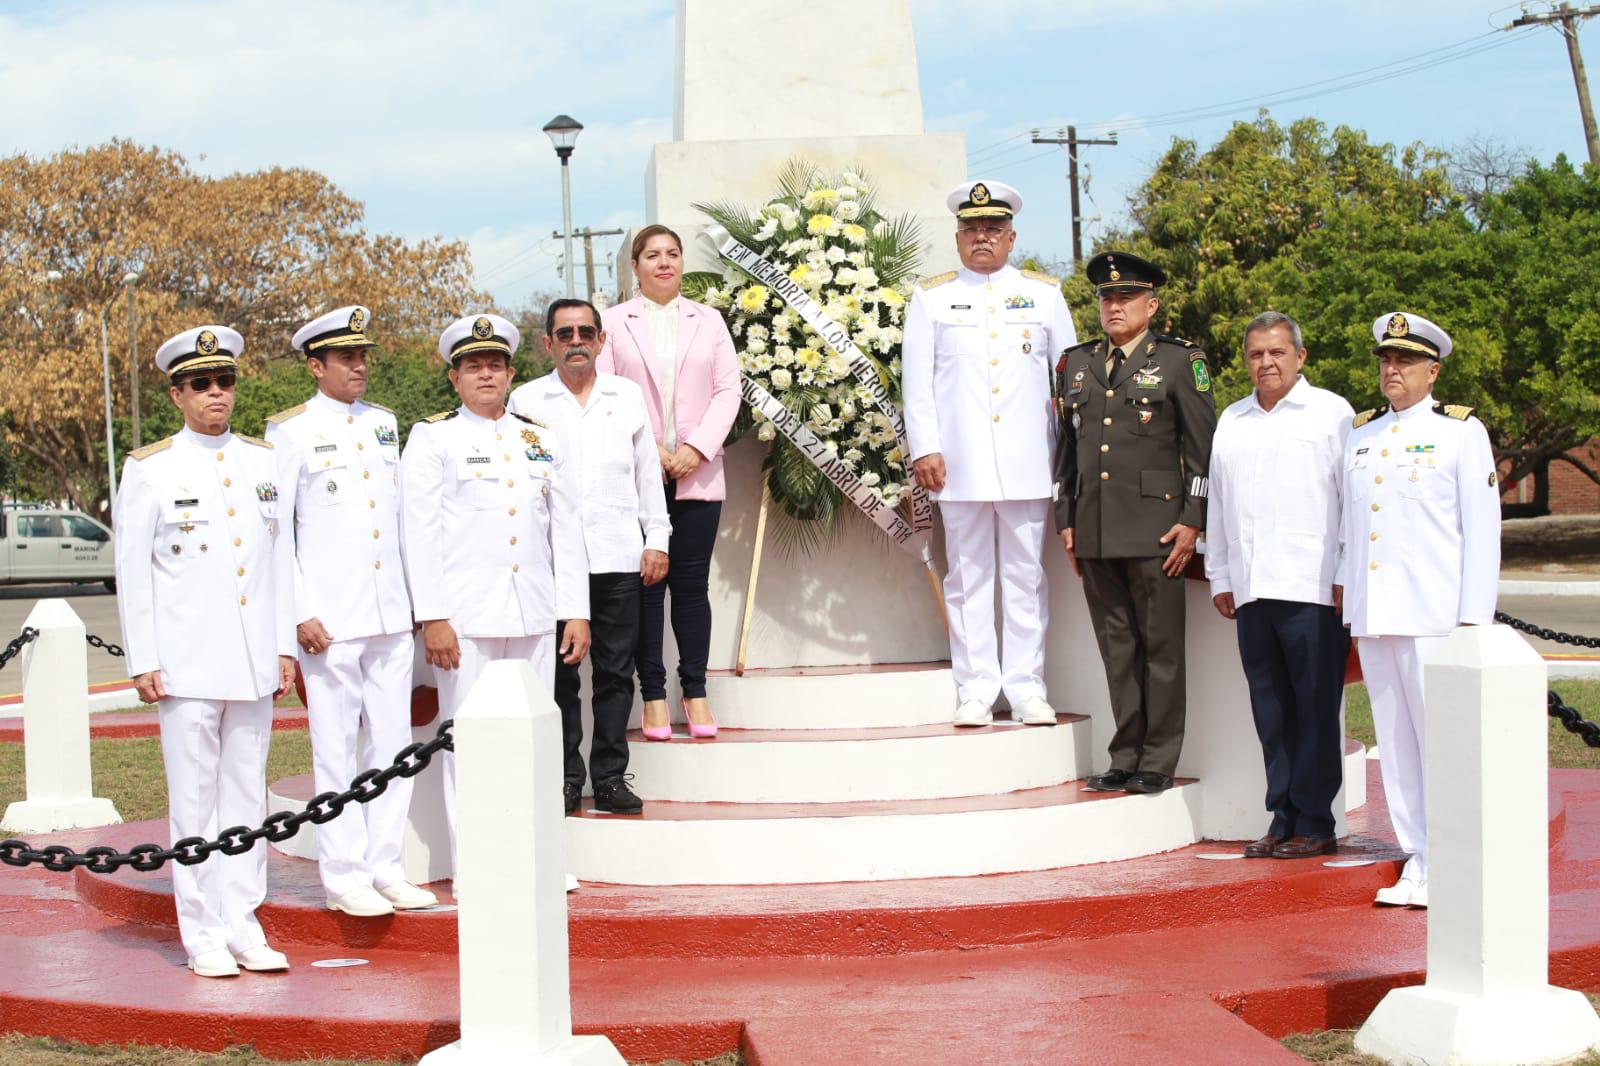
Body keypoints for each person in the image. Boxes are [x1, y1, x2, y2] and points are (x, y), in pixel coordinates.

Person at [113, 325, 296, 978]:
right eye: (200, 384)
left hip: (251, 663)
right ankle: (203, 931)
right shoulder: (152, 468)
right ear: (177, 394)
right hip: (188, 662)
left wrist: (282, 646)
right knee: (194, 801)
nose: (216, 393)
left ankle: (244, 920)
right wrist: (144, 657)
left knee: (247, 797)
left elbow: (279, 561)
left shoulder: (263, 462)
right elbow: (133, 570)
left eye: (224, 381)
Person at [399, 312, 590, 874]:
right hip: (466, 620)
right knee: (469, 746)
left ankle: (537, 861)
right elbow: (420, 531)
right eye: (472, 366)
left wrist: (574, 610)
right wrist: (432, 615)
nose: (486, 375)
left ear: (510, 373)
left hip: (532, 613)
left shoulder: (539, 439)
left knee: (535, 740)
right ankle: (476, 868)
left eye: (495, 365)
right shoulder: (434, 437)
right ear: (454, 378)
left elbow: (567, 530)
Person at [265, 305, 437, 916]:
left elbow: (400, 520)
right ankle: (342, 874)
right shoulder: (290, 431)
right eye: (345, 357)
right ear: (316, 366)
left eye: (363, 355)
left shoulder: (386, 424)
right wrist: (299, 610)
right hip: (330, 620)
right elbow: (276, 532)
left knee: (391, 745)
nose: (359, 365)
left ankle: (385, 864)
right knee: (334, 748)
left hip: (389, 611)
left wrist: (416, 599)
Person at [1336, 311, 1501, 908]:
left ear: (1432, 370)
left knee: (1443, 744)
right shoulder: (1361, 434)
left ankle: (1456, 860)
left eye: (1404, 361)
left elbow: (1482, 532)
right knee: (1396, 746)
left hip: (1434, 617)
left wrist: (1472, 620)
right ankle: (1419, 857)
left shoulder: (1461, 433)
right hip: (1377, 615)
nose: (1391, 370)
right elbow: (1351, 532)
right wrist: (1347, 598)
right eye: (1385, 360)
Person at [902, 180, 1077, 727]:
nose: (983, 238)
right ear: (957, 238)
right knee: (968, 579)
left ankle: (1027, 688)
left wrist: (1067, 464)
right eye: (973, 230)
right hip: (958, 464)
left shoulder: (1044, 295)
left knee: (1026, 579)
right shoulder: (931, 297)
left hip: (1028, 463)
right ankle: (976, 688)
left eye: (994, 230)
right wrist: (924, 447)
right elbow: (918, 383)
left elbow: (1069, 382)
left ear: (1011, 237)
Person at [1053, 251, 1216, 794]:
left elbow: (1203, 450)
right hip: (1095, 530)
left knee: (1161, 650)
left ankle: (1158, 761)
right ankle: (1124, 755)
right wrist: (1065, 515)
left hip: (1157, 530)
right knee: (1117, 649)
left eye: (1125, 297)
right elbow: (1067, 449)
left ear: (1152, 303)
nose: (1114, 306)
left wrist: (1193, 519)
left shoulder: (1178, 361)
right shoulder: (1076, 363)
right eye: (1106, 297)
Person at [509, 298, 670, 815]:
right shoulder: (526, 400)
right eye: (564, 333)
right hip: (553, 562)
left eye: (585, 332)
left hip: (619, 552)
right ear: (548, 344)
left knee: (615, 673)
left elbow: (647, 472)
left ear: (602, 340)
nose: (575, 341)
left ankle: (609, 776)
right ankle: (564, 775)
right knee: (558, 676)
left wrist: (657, 536)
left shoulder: (626, 396)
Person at [1205, 311, 1354, 858]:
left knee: (1315, 707)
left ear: (1300, 357)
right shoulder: (1233, 420)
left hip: (1312, 588)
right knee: (1271, 710)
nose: (1265, 363)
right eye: (1255, 354)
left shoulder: (1331, 413)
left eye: (1276, 353)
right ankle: (1282, 816)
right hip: (1252, 588)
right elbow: (1219, 504)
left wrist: (1345, 573)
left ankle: (1317, 821)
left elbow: (1350, 502)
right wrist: (1221, 573)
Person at [597, 225, 738, 739]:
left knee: (691, 586)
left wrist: (695, 449)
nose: (664, 262)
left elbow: (728, 390)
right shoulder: (612, 324)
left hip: (697, 473)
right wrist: (649, 450)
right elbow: (606, 393)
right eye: (652, 255)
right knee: (646, 585)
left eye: (672, 254)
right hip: (640, 474)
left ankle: (695, 691)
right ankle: (652, 694)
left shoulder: (710, 321)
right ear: (634, 266)